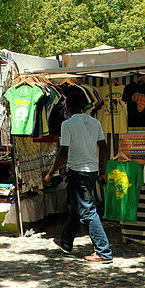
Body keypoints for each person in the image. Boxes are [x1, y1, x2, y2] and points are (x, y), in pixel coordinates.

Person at [44, 98, 112, 263]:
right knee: (77, 206)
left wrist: (51, 173)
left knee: (87, 210)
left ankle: (104, 252)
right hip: (92, 171)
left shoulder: (67, 124)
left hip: (78, 171)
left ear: (67, 108)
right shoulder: (94, 122)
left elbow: (63, 151)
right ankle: (66, 242)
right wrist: (103, 172)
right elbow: (103, 147)